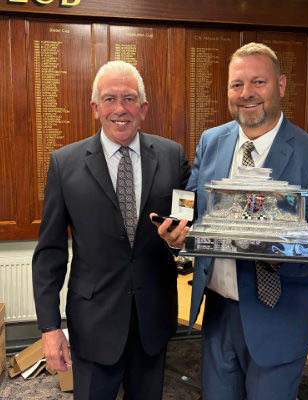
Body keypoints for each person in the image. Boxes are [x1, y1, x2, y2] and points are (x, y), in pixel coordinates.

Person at [157, 43, 308, 399]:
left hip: (278, 322)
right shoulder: (211, 141)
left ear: (281, 85)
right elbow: (193, 213)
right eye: (236, 84)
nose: (246, 94)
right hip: (216, 317)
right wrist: (178, 238)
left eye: (258, 82)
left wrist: (280, 254)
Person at [32, 60, 190, 400]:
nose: (120, 109)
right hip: (93, 322)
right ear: (94, 107)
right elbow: (49, 253)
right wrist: (48, 327)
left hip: (153, 320)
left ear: (144, 108)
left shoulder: (172, 156)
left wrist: (180, 243)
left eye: (130, 99)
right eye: (109, 99)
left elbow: (187, 230)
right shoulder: (65, 164)